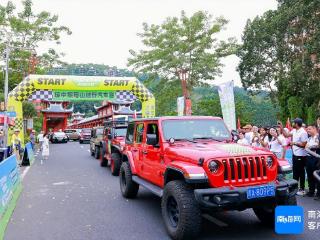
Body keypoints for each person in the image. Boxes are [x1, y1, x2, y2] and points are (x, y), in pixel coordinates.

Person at [281, 118, 308, 196]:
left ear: (296, 124)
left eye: (293, 123)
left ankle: (302, 189)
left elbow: (304, 144)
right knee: (295, 172)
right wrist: (282, 127)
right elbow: (286, 135)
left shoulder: (303, 132)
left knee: (301, 172)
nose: (292, 124)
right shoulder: (294, 130)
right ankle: (294, 187)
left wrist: (294, 143)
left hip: (301, 155)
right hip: (295, 154)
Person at [305, 124, 320, 199]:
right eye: (307, 129)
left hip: (316, 159)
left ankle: (318, 193)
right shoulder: (309, 138)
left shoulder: (318, 137)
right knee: (310, 175)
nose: (308, 131)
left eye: (309, 129)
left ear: (314, 129)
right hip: (308, 158)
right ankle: (311, 191)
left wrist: (311, 147)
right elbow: (306, 147)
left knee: (316, 176)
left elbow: (317, 146)